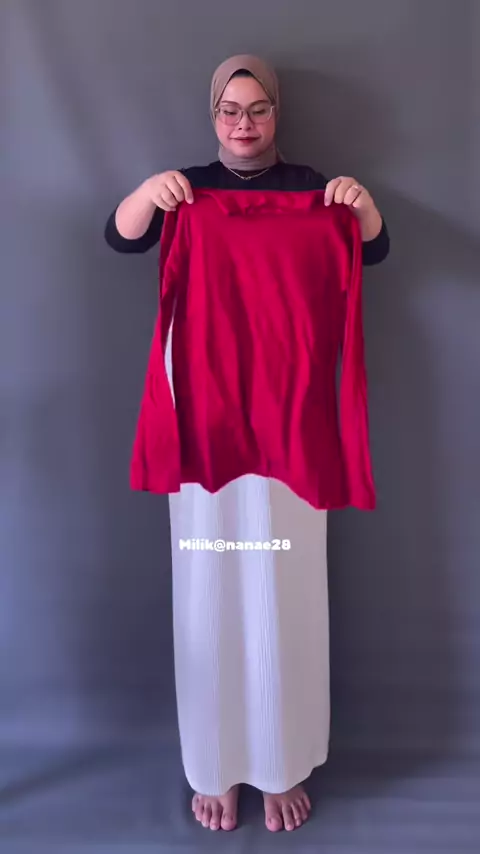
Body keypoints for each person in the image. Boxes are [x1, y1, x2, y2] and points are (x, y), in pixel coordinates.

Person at [105, 54, 390, 834]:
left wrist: (361, 207)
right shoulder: (188, 193)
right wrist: (148, 193)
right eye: (231, 109)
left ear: (275, 114)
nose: (244, 122)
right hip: (206, 414)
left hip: (290, 418)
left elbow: (371, 251)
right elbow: (121, 237)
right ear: (214, 115)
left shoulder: (312, 190)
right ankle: (216, 766)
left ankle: (280, 764)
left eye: (258, 108)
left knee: (285, 590)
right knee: (207, 591)